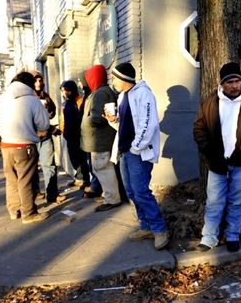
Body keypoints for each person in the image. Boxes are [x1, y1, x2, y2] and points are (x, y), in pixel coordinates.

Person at [192, 62, 241, 252]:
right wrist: (210, 151)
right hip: (217, 162)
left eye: (238, 81)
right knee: (214, 202)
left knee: (238, 201)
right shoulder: (209, 104)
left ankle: (233, 235)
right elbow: (199, 129)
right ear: (222, 84)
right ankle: (209, 237)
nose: (235, 85)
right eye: (230, 82)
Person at [106, 62, 169, 250]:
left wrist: (136, 147)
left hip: (138, 153)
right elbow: (126, 125)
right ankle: (146, 226)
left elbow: (148, 124)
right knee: (132, 192)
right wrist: (113, 120)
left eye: (115, 77)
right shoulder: (123, 96)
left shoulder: (144, 94)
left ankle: (160, 230)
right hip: (126, 151)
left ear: (124, 78)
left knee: (141, 191)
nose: (113, 81)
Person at [0, 71, 51, 224]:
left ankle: (14, 210)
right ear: (29, 84)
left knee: (11, 179)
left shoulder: (2, 98)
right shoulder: (31, 100)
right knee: (26, 180)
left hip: (6, 145)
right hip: (24, 145)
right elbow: (44, 124)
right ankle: (29, 213)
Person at [81, 64, 122, 212]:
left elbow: (97, 118)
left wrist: (87, 121)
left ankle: (112, 199)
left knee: (102, 168)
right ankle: (109, 195)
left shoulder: (100, 93)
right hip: (99, 140)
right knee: (103, 168)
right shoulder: (101, 91)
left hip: (100, 140)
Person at [30, 70, 60, 203]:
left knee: (50, 165)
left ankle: (52, 194)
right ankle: (35, 193)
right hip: (31, 136)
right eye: (35, 80)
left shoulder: (45, 96)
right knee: (32, 168)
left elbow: (53, 112)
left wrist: (48, 112)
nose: (38, 82)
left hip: (46, 136)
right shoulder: (27, 97)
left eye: (40, 80)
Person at [59, 80, 90, 188]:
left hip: (78, 135)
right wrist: (63, 130)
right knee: (73, 158)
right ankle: (79, 177)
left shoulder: (79, 101)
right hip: (69, 135)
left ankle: (84, 179)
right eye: (62, 91)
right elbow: (63, 119)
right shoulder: (65, 103)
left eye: (67, 90)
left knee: (81, 158)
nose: (65, 93)